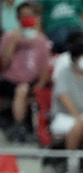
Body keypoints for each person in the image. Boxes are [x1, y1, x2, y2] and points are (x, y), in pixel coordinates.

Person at [0, 1, 51, 142]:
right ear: (18, 18)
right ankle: (19, 126)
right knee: (21, 89)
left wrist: (39, 87)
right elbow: (3, 63)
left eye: (29, 15)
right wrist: (13, 43)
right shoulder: (9, 37)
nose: (26, 18)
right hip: (9, 82)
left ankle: (28, 127)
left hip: (32, 83)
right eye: (23, 16)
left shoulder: (41, 40)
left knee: (24, 89)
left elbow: (44, 69)